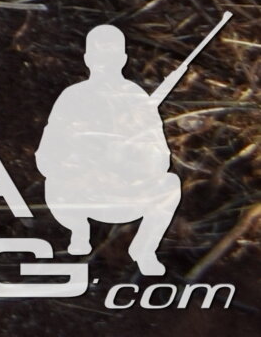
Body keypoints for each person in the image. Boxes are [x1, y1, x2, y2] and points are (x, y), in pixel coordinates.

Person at [38, 23, 183, 276]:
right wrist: (79, 163)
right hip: (82, 194)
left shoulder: (137, 99)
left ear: (123, 59)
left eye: (111, 55)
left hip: (126, 194)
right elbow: (47, 154)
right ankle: (79, 231)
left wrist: (130, 159)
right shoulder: (72, 97)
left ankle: (144, 249)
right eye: (98, 55)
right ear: (88, 59)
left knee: (170, 184)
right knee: (53, 184)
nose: (104, 62)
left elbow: (161, 158)